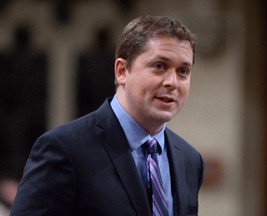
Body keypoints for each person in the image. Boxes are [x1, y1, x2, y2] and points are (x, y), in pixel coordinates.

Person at [11, 15, 204, 216]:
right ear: (122, 71)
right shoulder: (65, 149)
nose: (172, 82)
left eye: (183, 71)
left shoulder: (190, 160)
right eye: (159, 66)